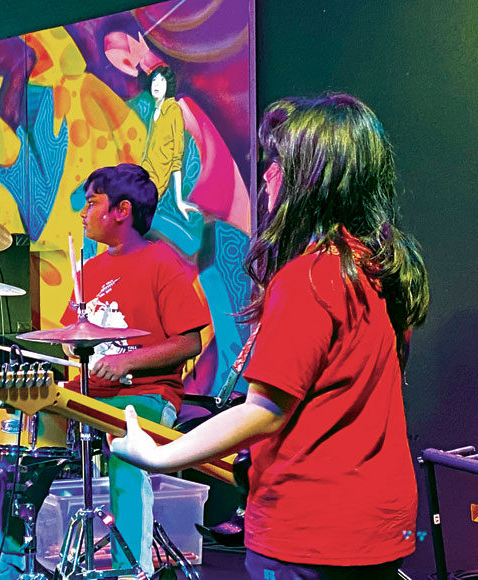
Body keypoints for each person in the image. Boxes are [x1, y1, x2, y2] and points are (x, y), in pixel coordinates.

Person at [112, 94, 429, 580]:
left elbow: (264, 412)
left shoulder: (311, 278)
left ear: (311, 177)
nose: (266, 174)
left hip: (310, 532)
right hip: (378, 523)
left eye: (278, 162)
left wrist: (158, 456)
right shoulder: (381, 269)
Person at [63, 163, 209, 576]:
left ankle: (131, 570)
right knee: (24, 442)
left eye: (92, 203)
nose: (83, 212)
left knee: (126, 452)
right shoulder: (88, 272)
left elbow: (189, 342)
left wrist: (125, 361)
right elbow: (69, 337)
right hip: (91, 393)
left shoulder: (160, 261)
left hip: (146, 395)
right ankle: (12, 560)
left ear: (121, 210)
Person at [137, 66, 199, 218]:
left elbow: (176, 158)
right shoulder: (154, 112)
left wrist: (179, 201)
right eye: (155, 81)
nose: (157, 84)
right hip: (141, 175)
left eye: (162, 81)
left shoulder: (173, 111)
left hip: (154, 185)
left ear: (169, 85)